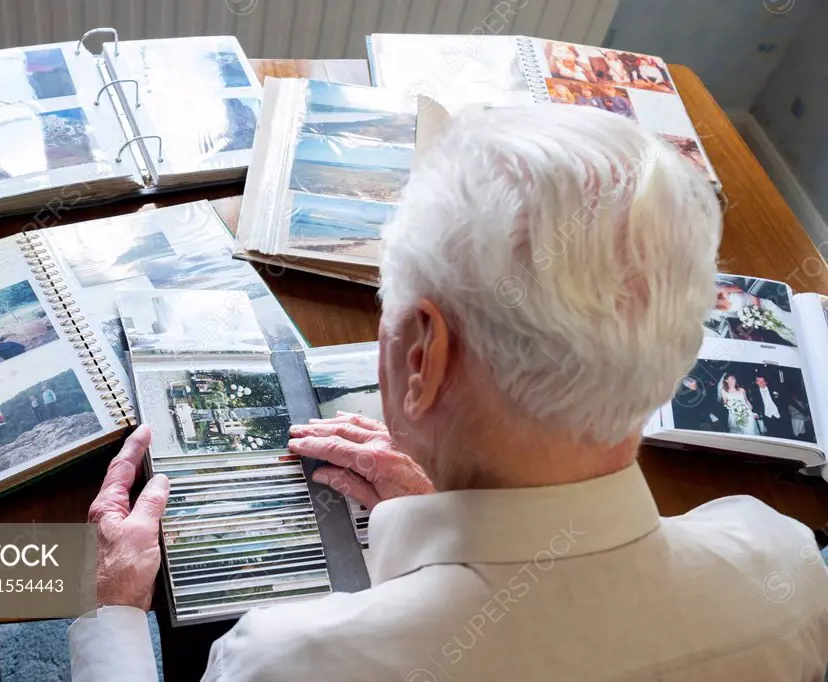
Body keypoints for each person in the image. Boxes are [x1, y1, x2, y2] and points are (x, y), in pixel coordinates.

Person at [69, 104, 828, 681]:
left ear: (424, 356)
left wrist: (113, 615)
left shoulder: (286, 659)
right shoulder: (785, 564)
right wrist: (434, 510)